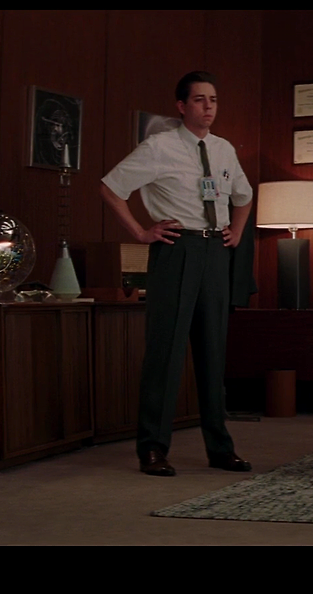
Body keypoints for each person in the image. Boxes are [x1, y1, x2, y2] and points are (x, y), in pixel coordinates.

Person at [100, 71, 254, 477]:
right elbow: (111, 188)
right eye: (200, 100)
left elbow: (244, 196)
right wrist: (140, 232)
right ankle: (152, 448)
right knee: (165, 352)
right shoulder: (159, 147)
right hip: (176, 248)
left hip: (215, 252)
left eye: (213, 100)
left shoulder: (223, 149)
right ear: (182, 106)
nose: (208, 107)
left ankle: (220, 448)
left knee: (213, 352)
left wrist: (237, 232)